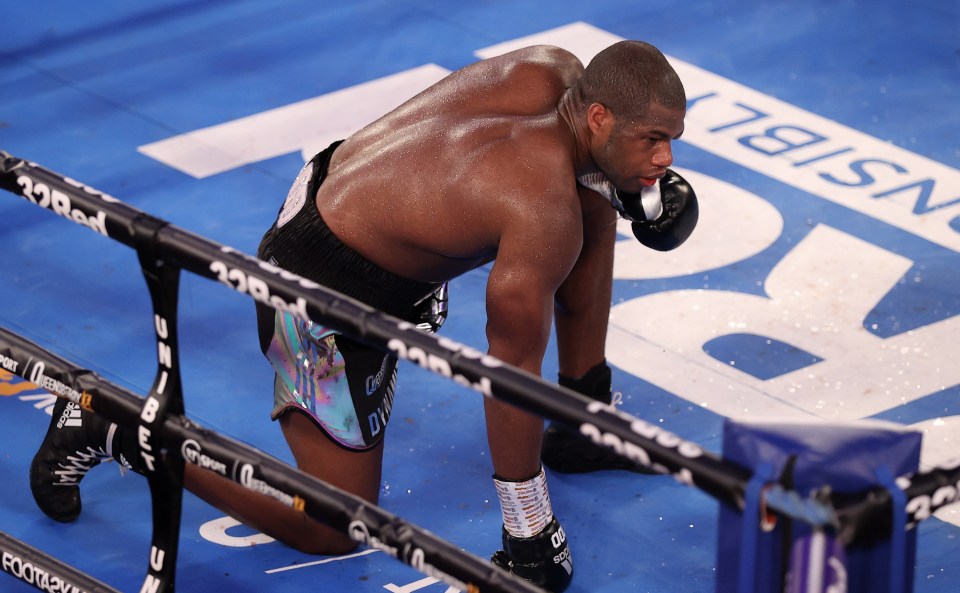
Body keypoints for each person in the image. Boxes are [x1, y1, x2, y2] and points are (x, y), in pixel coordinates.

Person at [29, 40, 695, 592]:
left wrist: (622, 182)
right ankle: (108, 422)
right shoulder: (539, 208)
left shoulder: (550, 71)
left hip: (336, 190)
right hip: (313, 289)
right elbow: (508, 373)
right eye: (654, 139)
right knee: (333, 522)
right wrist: (528, 530)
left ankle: (585, 416)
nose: (666, 160)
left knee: (594, 202)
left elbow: (542, 164)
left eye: (672, 140)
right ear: (601, 117)